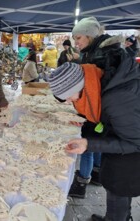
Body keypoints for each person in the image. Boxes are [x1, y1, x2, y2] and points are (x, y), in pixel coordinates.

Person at [48, 60, 140, 221]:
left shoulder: (117, 99)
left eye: (68, 97)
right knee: (118, 191)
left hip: (131, 157)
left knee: (119, 190)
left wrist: (89, 144)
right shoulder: (98, 85)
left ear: (79, 87)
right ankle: (122, 217)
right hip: (122, 148)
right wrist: (86, 120)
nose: (69, 102)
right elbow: (108, 120)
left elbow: (135, 143)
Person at [67, 16, 123, 198]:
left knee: (88, 145)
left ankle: (82, 181)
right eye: (74, 38)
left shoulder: (102, 55)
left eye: (79, 38)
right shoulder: (99, 51)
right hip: (103, 112)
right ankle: (96, 174)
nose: (76, 42)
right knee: (98, 141)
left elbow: (93, 92)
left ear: (90, 36)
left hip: (100, 111)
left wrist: (83, 114)